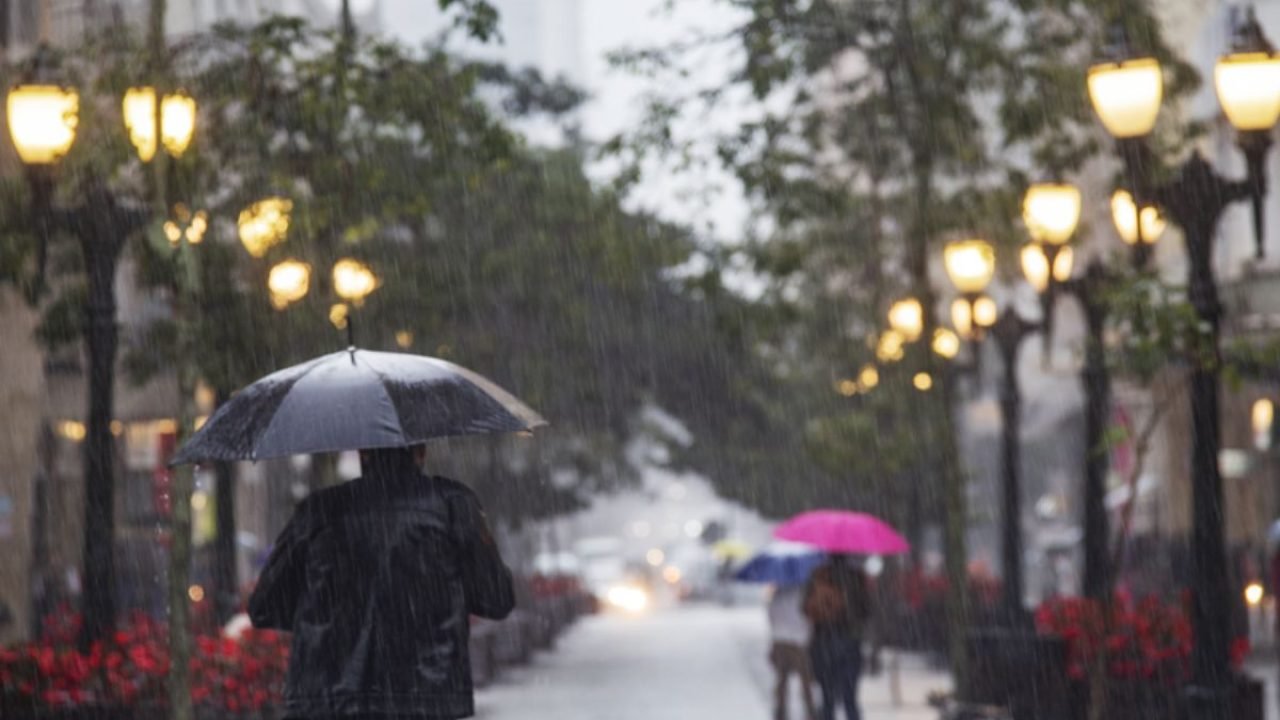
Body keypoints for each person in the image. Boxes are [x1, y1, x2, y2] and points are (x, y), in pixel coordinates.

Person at [249, 445, 514, 720]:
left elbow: (264, 607)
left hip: (329, 699)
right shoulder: (452, 505)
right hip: (426, 698)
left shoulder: (319, 510)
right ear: (421, 452)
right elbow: (497, 599)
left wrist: (325, 619)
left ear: (363, 453)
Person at [803, 555, 872, 720]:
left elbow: (805, 608)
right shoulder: (857, 577)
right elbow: (867, 610)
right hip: (850, 639)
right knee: (850, 699)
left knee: (828, 698)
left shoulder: (817, 575)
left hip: (823, 640)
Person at [768, 583, 817, 720]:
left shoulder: (778, 594)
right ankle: (810, 710)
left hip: (780, 640)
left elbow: (771, 615)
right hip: (799, 641)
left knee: (782, 678)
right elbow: (809, 616)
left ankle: (780, 710)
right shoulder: (803, 594)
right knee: (805, 679)